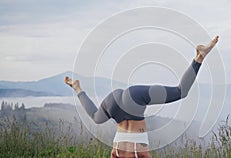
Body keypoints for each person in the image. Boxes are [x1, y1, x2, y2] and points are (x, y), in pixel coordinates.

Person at [65, 36, 219, 158]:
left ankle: (200, 57)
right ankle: (78, 89)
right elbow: (116, 154)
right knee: (96, 117)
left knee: (180, 92)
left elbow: (143, 153)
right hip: (118, 105)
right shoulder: (119, 154)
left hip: (128, 100)